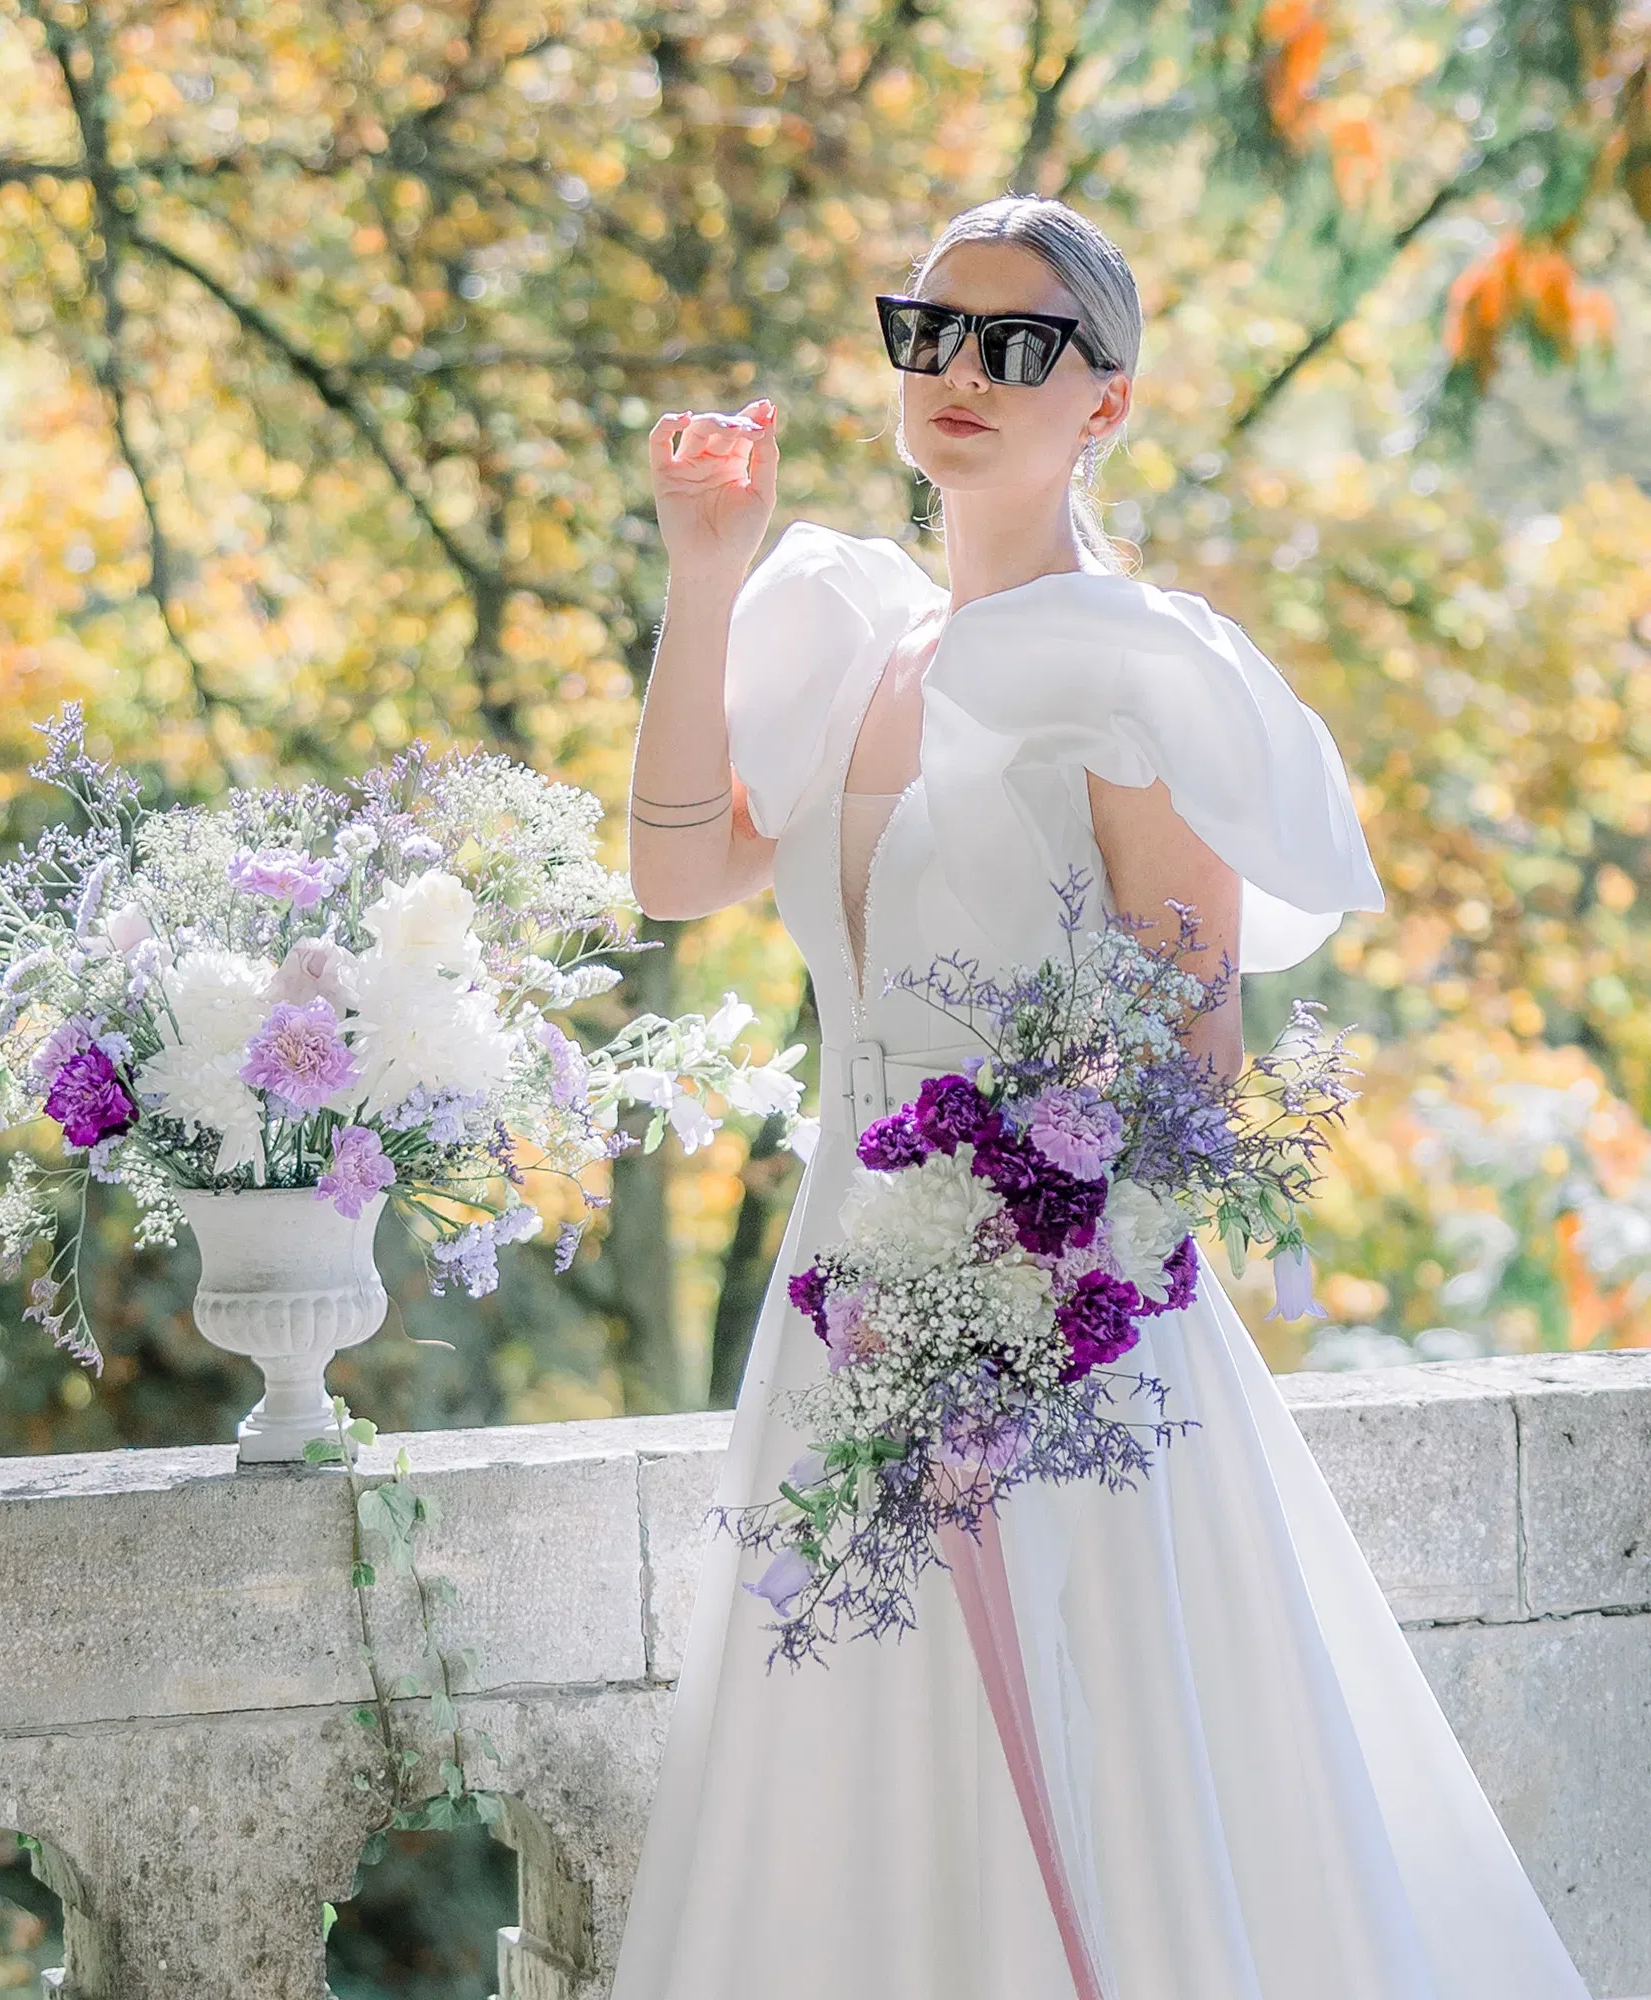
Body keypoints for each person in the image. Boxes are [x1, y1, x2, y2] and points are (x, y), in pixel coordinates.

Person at [608, 194, 1593, 2000]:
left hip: (1064, 1322)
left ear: (1107, 403)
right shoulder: (848, 631)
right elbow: (678, 875)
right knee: (857, 1778)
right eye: (931, 330)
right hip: (846, 1291)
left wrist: (1012, 1291)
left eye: (1020, 343)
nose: (962, 372)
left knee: (1100, 1758)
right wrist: (704, 564)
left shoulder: (1133, 667)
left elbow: (1190, 1067)